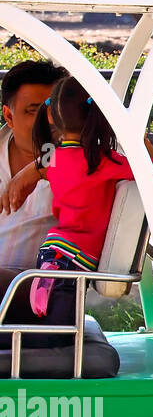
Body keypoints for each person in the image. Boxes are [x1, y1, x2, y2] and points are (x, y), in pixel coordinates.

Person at [27, 76, 153, 341]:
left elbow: (41, 164)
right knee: (59, 334)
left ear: (52, 117)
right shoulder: (102, 160)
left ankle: (44, 288)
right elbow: (152, 172)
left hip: (57, 247)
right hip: (77, 255)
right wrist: (145, 150)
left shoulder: (52, 157)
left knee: (54, 328)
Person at [0, 61, 65, 301]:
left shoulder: (73, 159)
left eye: (55, 110)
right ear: (9, 115)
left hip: (38, 291)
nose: (49, 122)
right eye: (34, 111)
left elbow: (125, 156)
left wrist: (36, 168)